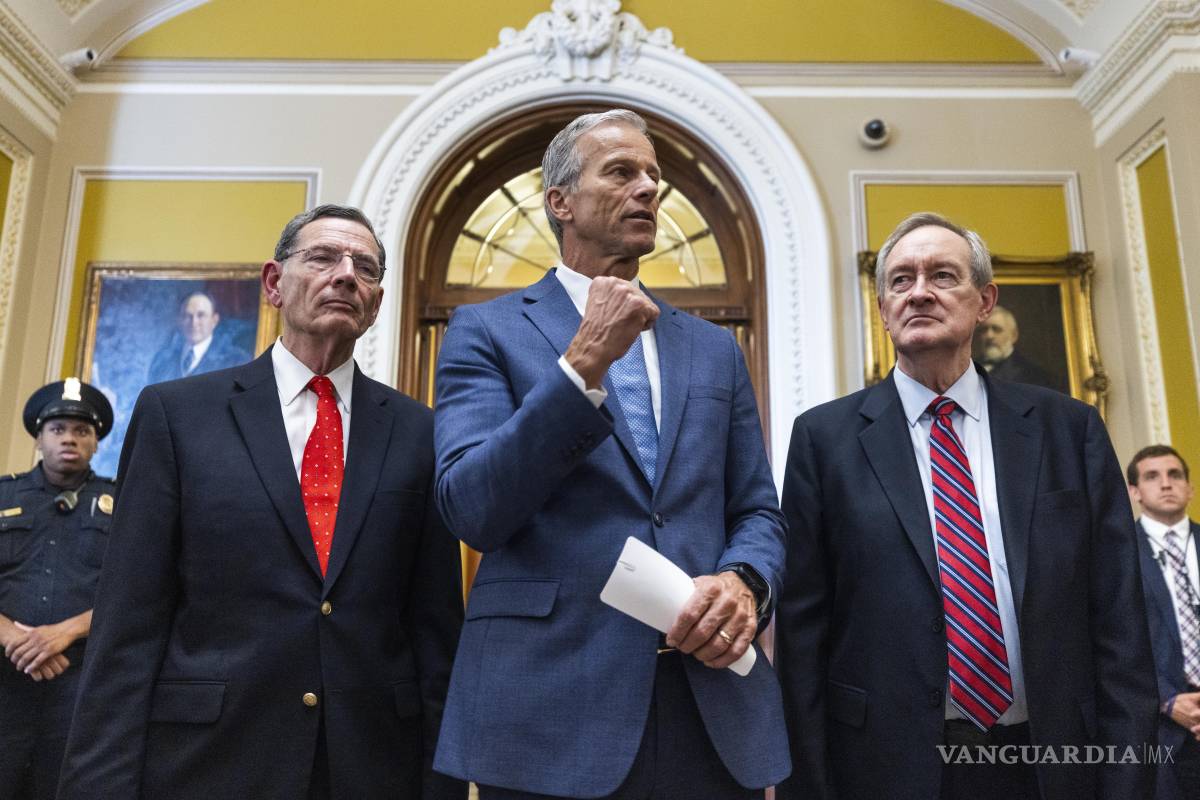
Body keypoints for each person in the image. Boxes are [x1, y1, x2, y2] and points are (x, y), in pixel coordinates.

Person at [431, 109, 790, 799]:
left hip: (707, 707)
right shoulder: (485, 331)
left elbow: (757, 510)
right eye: (622, 172)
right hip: (548, 710)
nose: (649, 188)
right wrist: (580, 368)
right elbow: (473, 508)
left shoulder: (713, 348)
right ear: (560, 201)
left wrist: (746, 582)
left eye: (654, 176)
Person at [57, 205, 466, 800]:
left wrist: (442, 785)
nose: (346, 274)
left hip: (372, 762)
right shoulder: (179, 414)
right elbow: (130, 619)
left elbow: (435, 632)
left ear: (376, 304)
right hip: (208, 760)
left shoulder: (421, 433)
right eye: (323, 257)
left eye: (366, 268)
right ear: (274, 283)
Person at [776, 211, 1157, 800]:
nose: (919, 292)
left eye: (942, 276)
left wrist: (1129, 780)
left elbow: (1120, 619)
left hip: (1055, 763)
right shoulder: (823, 440)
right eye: (900, 280)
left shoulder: (1069, 430)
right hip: (886, 768)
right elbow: (803, 634)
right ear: (882, 310)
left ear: (985, 300)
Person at [0, 378, 114, 800]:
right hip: (4, 684)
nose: (70, 438)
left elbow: (138, 593)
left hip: (80, 690)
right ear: (38, 439)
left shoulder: (124, 504)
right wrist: (15, 638)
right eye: (58, 429)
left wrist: (64, 633)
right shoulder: (3, 495)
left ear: (96, 442)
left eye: (82, 431)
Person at [1128, 444, 1200, 800]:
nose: (1166, 484)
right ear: (1135, 492)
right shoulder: (1116, 555)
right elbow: (1112, 641)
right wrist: (1167, 700)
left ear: (1190, 488)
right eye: (1152, 476)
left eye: (1175, 475)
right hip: (1157, 728)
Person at [145, 291, 251, 384]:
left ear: (214, 320)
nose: (194, 322)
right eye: (187, 316)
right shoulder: (162, 360)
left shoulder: (237, 360)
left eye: (201, 315)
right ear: (179, 320)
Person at [973, 304, 1065, 393]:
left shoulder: (1033, 375)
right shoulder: (971, 368)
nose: (989, 336)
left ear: (1014, 336)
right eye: (983, 330)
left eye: (997, 329)